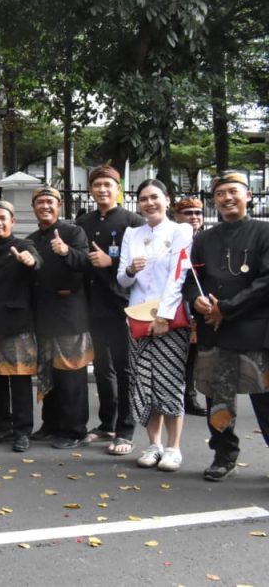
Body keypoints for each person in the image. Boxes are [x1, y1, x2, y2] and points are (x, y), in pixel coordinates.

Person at [183, 172, 269, 482]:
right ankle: (223, 454)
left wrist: (226, 309)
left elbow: (265, 281)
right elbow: (191, 280)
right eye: (220, 193)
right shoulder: (204, 239)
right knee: (218, 399)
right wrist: (197, 302)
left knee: (265, 398)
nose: (226, 198)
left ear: (248, 196)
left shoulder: (264, 232)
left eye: (233, 191)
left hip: (254, 332)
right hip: (213, 331)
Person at [116, 179, 193, 472]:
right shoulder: (131, 233)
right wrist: (130, 270)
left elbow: (179, 276)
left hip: (169, 320)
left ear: (167, 200)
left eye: (154, 197)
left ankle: (173, 448)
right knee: (144, 381)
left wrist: (164, 315)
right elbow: (122, 281)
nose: (149, 203)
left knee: (169, 381)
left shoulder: (180, 231)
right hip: (137, 318)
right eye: (143, 198)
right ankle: (154, 444)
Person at [76, 165, 144, 455]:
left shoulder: (134, 221)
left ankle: (125, 430)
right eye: (97, 185)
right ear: (90, 189)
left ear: (119, 189)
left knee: (125, 368)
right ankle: (107, 424)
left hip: (122, 304)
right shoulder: (83, 221)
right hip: (92, 305)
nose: (102, 189)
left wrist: (111, 263)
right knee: (102, 367)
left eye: (108, 184)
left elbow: (145, 266)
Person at [26, 186, 93, 449]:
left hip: (69, 316)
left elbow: (87, 264)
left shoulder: (73, 232)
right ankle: (51, 424)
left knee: (72, 376)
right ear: (34, 208)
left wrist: (66, 252)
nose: (45, 206)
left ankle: (74, 430)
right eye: (40, 202)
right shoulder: (32, 238)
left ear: (59, 206)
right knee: (48, 374)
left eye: (50, 202)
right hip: (43, 315)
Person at [0, 201, 41, 453]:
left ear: (12, 221)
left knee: (19, 378)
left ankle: (23, 431)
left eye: (3, 218)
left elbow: (37, 262)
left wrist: (29, 261)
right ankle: (2, 426)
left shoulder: (24, 246)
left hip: (16, 324)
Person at [174, 196, 208, 416]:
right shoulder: (171, 238)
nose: (194, 217)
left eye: (197, 213)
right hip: (174, 302)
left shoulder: (207, 240)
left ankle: (190, 396)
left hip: (198, 302)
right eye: (188, 213)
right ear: (177, 216)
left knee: (193, 355)